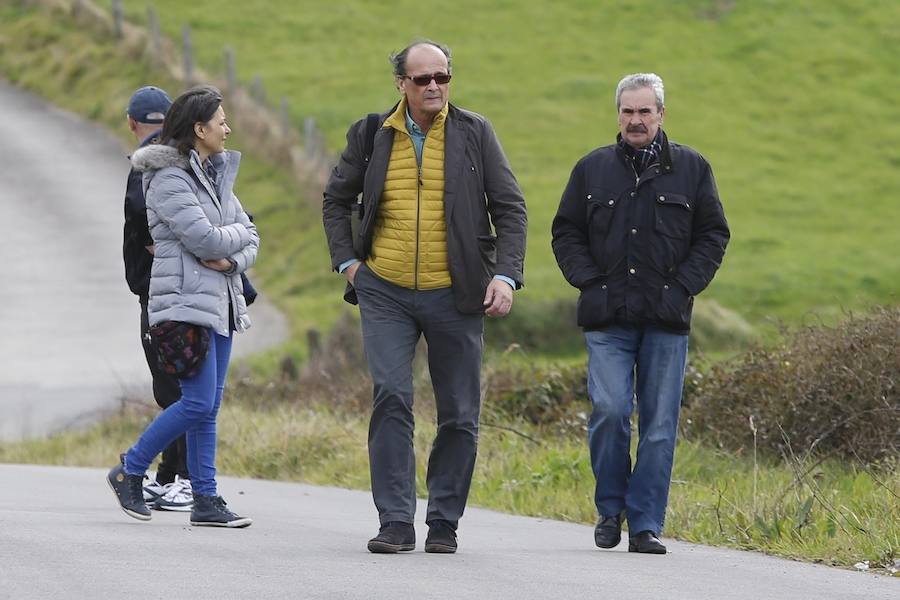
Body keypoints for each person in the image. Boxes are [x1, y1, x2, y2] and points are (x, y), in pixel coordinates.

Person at [322, 40, 527, 554]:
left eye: (443, 77)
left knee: (459, 412)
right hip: (384, 290)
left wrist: (506, 276)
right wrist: (349, 264)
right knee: (392, 395)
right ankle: (394, 520)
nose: (434, 86)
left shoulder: (475, 133)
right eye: (422, 79)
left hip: (457, 293)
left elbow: (510, 208)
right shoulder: (371, 134)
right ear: (401, 85)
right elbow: (336, 199)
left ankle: (443, 522)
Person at [551, 73, 729, 554]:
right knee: (609, 411)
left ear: (661, 114)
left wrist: (682, 288)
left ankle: (646, 524)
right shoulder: (591, 170)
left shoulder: (693, 169)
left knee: (658, 426)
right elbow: (565, 232)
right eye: (627, 111)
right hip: (608, 318)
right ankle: (611, 510)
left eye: (644, 111)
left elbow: (713, 235)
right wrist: (590, 282)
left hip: (666, 320)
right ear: (618, 114)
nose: (635, 120)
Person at [107, 85, 259, 528]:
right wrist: (232, 243)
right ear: (199, 128)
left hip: (221, 301)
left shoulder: (214, 173)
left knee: (208, 405)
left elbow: (250, 233)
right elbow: (204, 238)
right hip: (185, 305)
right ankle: (130, 469)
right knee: (194, 404)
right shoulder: (169, 178)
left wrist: (232, 257)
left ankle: (206, 499)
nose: (227, 128)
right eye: (221, 121)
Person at [123, 85, 192, 512]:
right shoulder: (183, 153)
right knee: (182, 385)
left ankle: (176, 477)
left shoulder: (149, 161)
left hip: (163, 289)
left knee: (174, 388)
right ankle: (172, 475)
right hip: (182, 288)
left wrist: (163, 251)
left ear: (132, 124)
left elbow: (145, 218)